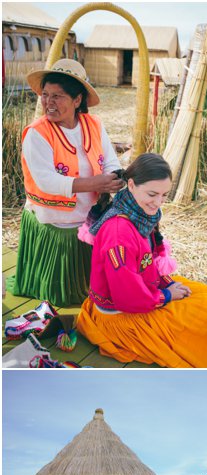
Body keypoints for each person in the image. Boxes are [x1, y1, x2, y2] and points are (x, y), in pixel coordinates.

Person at [75, 152, 207, 367]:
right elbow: (128, 297)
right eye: (152, 194)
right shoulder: (119, 233)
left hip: (142, 291)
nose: (158, 203)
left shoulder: (139, 214)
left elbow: (144, 263)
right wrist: (166, 295)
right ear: (131, 185)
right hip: (123, 316)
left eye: (163, 195)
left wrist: (166, 283)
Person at [11, 59, 123, 307]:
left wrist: (115, 179)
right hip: (56, 214)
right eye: (45, 95)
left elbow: (111, 161)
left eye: (57, 96)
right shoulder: (37, 133)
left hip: (90, 213)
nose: (48, 103)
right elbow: (46, 181)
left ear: (77, 100)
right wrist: (96, 182)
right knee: (68, 301)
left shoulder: (94, 125)